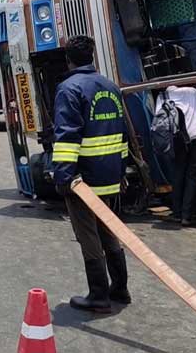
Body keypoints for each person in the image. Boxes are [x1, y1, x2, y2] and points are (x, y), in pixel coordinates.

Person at [52, 35, 131, 313]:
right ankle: (120, 289)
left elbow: (66, 138)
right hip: (110, 174)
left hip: (83, 180)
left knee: (88, 236)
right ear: (92, 56)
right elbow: (122, 135)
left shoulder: (69, 89)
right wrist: (121, 172)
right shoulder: (110, 87)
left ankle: (98, 295)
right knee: (108, 229)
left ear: (68, 59)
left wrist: (64, 177)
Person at [154, 86, 196, 226]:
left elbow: (158, 117)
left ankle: (177, 213)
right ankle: (187, 216)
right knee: (193, 174)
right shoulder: (192, 91)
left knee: (178, 173)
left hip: (178, 138)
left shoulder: (162, 96)